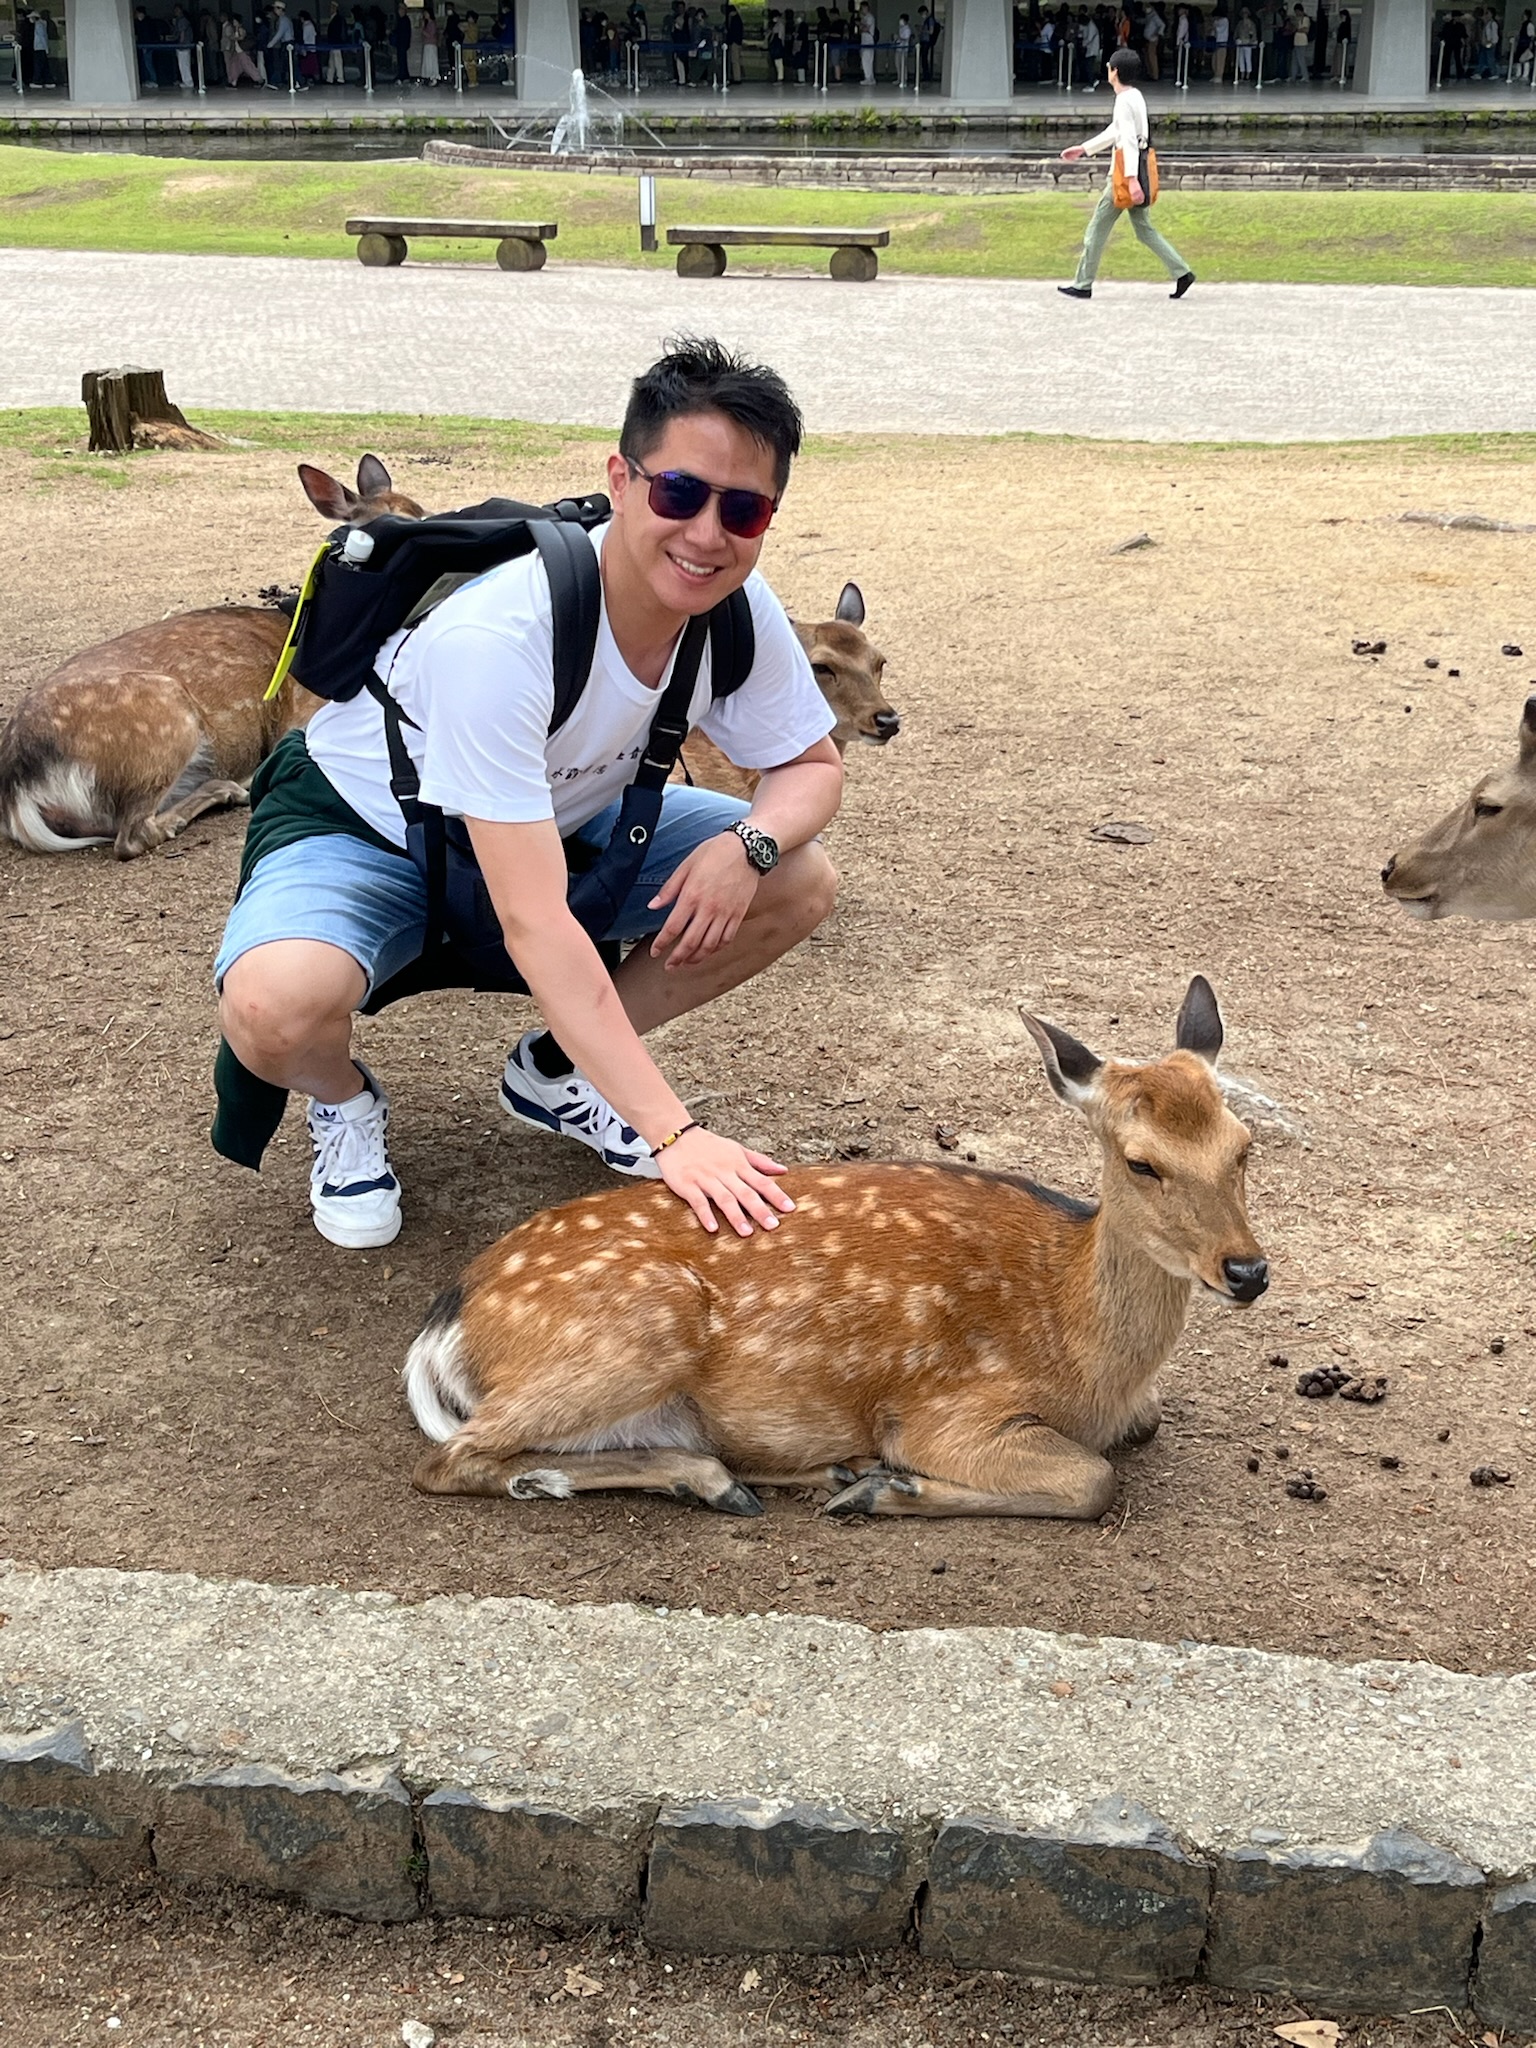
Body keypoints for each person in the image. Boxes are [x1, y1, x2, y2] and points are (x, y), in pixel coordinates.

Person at [214, 342, 843, 1253]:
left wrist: (748, 847)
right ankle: (342, 1101)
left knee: (797, 877)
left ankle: (557, 1070)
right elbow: (535, 921)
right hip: (369, 824)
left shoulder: (737, 609)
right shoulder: (501, 637)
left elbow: (812, 766)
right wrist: (677, 1135)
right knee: (272, 1006)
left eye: (743, 508)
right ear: (621, 481)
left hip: (559, 817)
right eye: (680, 493)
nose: (708, 535)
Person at [1057, 47, 1195, 301]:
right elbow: (1118, 130)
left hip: (1124, 176)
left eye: (1110, 67)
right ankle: (1182, 271)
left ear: (1115, 71)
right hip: (1139, 170)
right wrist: (1085, 149)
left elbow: (1128, 139)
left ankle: (1083, 283)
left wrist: (1131, 179)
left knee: (1096, 229)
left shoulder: (1123, 100)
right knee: (1144, 230)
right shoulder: (1135, 96)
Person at [1141, 0, 1163, 73]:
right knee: (1148, 57)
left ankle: (1154, 74)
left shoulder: (1154, 16)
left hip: (1153, 39)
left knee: (1152, 58)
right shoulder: (1149, 16)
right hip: (1148, 39)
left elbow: (1162, 25)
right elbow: (1145, 21)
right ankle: (1151, 73)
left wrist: (1157, 33)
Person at [859, 0, 875, 76]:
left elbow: (866, 28)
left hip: (868, 39)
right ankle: (867, 77)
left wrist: (861, 26)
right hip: (864, 39)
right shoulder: (864, 18)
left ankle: (869, 77)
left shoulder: (870, 17)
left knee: (867, 59)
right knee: (864, 60)